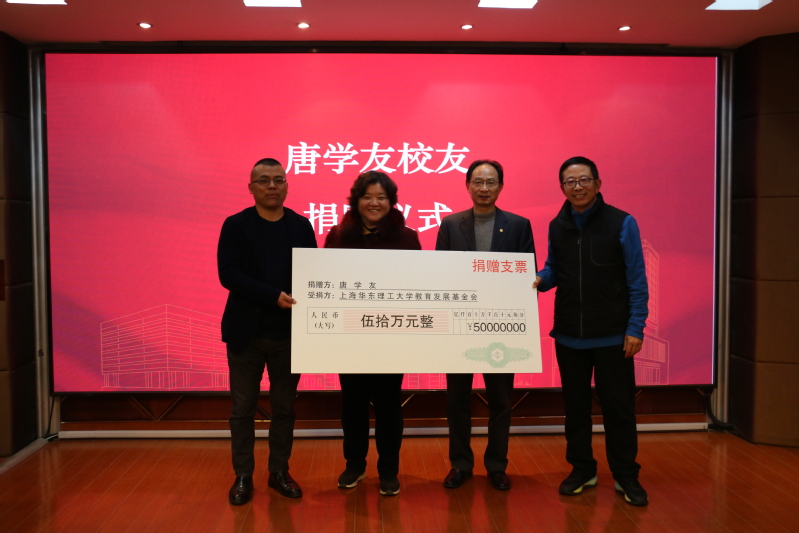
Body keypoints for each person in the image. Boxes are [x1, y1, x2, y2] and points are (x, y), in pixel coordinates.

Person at [533, 156, 649, 506]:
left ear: (598, 184)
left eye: (584, 180)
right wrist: (537, 280)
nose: (578, 187)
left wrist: (635, 327)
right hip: (569, 335)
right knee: (576, 409)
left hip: (613, 335)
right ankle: (582, 468)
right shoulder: (557, 225)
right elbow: (554, 269)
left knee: (619, 408)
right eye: (570, 182)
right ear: (562, 188)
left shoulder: (622, 222)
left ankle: (626, 474)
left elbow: (637, 280)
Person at [218, 158, 317, 504]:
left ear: (287, 185)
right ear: (251, 188)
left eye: (278, 179)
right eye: (263, 180)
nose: (272, 186)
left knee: (284, 408)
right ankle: (243, 475)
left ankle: (279, 471)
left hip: (289, 334)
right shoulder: (235, 225)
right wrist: (272, 295)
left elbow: (313, 275)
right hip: (245, 333)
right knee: (242, 409)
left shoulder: (301, 226)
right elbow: (228, 274)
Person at [435, 159, 535, 491]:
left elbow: (526, 279)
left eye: (491, 182)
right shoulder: (451, 224)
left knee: (501, 401)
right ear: (468, 185)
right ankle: (460, 464)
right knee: (457, 401)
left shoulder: (518, 225)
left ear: (501, 187)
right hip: (459, 325)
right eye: (478, 181)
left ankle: (496, 465)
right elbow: (438, 276)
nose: (484, 188)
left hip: (501, 327)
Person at [324, 170, 422, 497]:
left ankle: (388, 470)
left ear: (391, 201)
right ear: (356, 200)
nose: (374, 203)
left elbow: (419, 286)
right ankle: (355, 465)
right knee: (352, 404)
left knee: (388, 405)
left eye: (381, 197)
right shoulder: (338, 235)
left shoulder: (407, 238)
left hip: (391, 338)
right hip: (349, 337)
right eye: (367, 196)